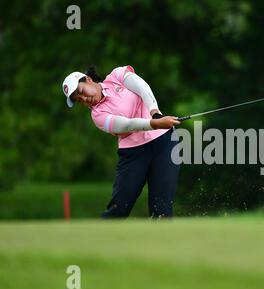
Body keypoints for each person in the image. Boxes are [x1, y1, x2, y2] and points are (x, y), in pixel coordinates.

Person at [62, 65, 181, 219]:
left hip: (164, 143)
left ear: (89, 80)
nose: (84, 99)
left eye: (81, 92)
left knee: (162, 208)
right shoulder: (98, 116)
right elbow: (126, 125)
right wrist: (155, 123)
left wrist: (155, 112)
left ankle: (162, 242)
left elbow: (142, 87)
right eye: (79, 100)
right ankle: (97, 241)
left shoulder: (116, 76)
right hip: (134, 154)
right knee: (119, 208)